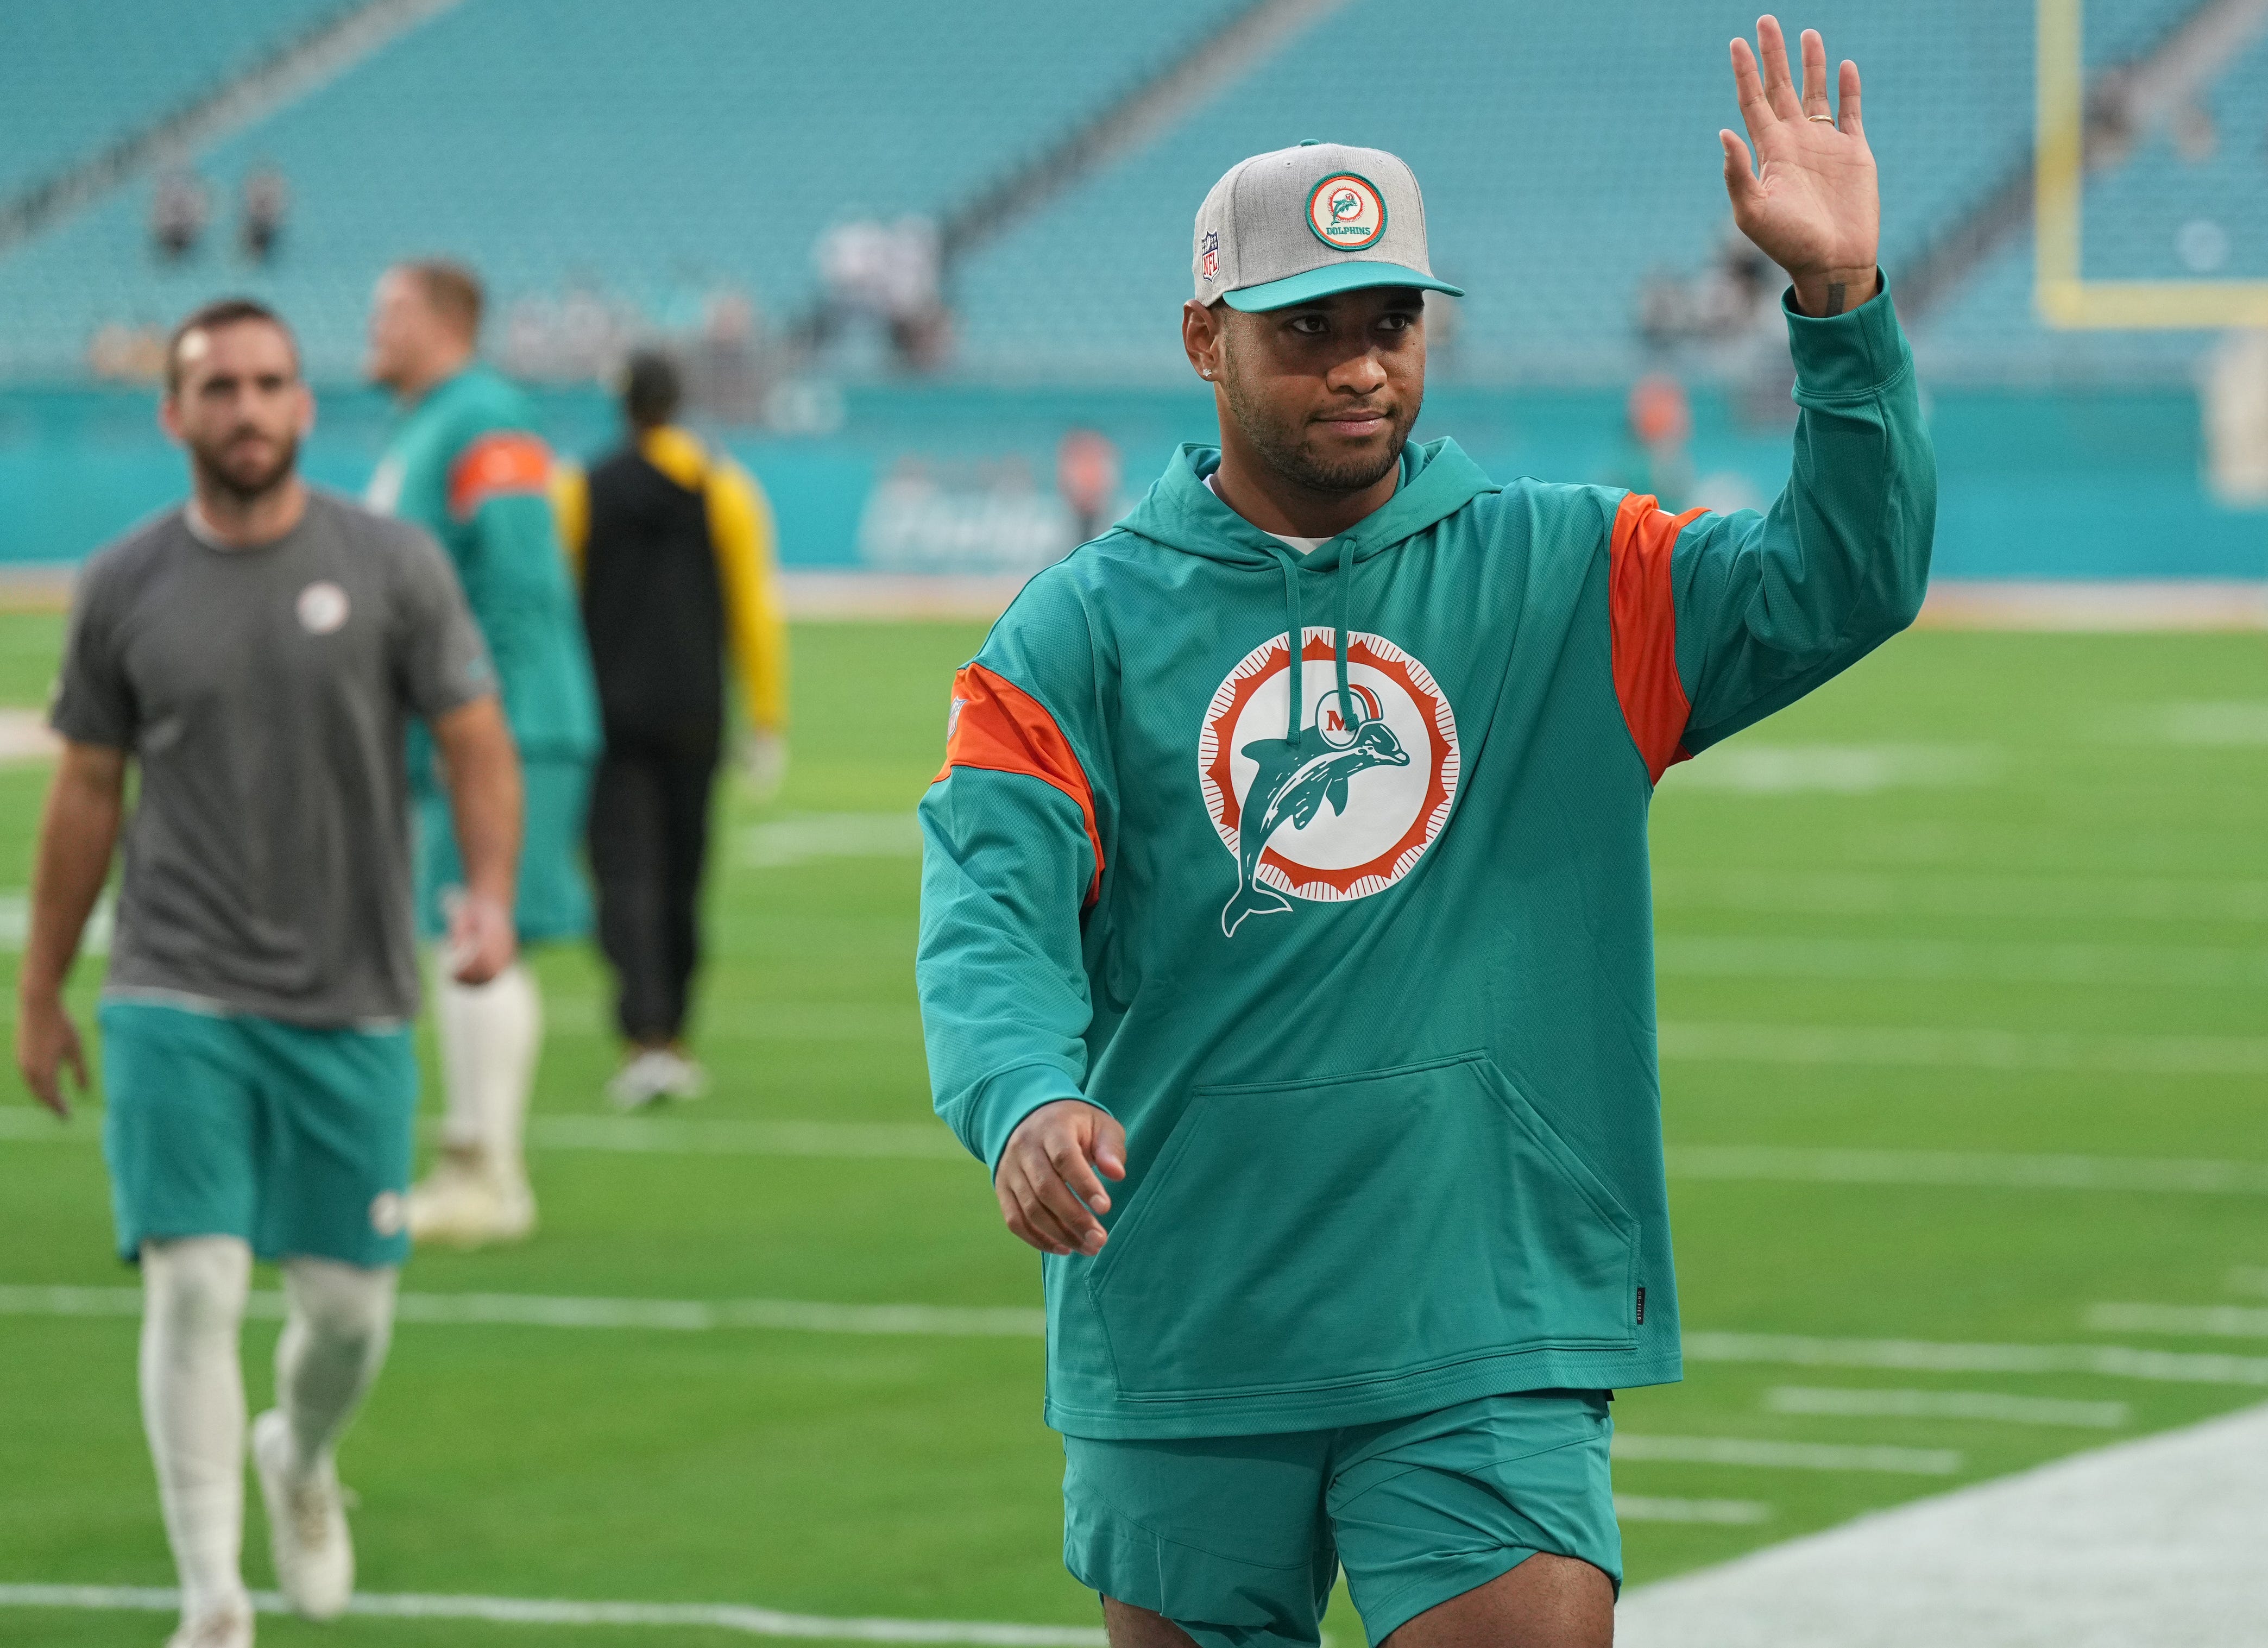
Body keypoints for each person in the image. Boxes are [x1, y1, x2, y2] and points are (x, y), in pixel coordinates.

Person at [915, 21, 1931, 1647]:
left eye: (1387, 322)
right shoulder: (1071, 636)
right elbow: (989, 914)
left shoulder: (1574, 574)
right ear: (1203, 339)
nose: (1360, 366)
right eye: (1306, 329)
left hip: (1486, 1311)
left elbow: (1847, 579)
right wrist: (1023, 1096)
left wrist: (1837, 309)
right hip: (1186, 1312)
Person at [14, 298, 520, 1648]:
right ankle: (212, 1599)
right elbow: (84, 793)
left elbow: (475, 735)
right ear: (174, 413)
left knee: (347, 1316)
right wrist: (42, 986)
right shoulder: (121, 583)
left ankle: (295, 1453)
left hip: (353, 992)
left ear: (305, 407)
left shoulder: (394, 563)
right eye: (217, 388)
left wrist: (486, 893)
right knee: (190, 1282)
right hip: (173, 983)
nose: (245, 409)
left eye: (269, 385)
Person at [364, 260, 601, 1246]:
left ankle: (486, 1169)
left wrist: (482, 717)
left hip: (501, 724)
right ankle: (477, 1160)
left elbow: (516, 576)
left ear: (442, 319)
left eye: (389, 311)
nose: (372, 329)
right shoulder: (430, 423)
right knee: (454, 923)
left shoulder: (485, 420)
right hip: (458, 725)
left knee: (476, 925)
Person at [555, 351, 788, 1106]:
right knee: (684, 878)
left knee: (624, 876)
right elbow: (755, 611)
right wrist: (767, 716)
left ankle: (641, 1036)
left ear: (622, 406)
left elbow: (557, 611)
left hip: (608, 719)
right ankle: (676, 1037)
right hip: (695, 716)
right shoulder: (725, 491)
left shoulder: (580, 491)